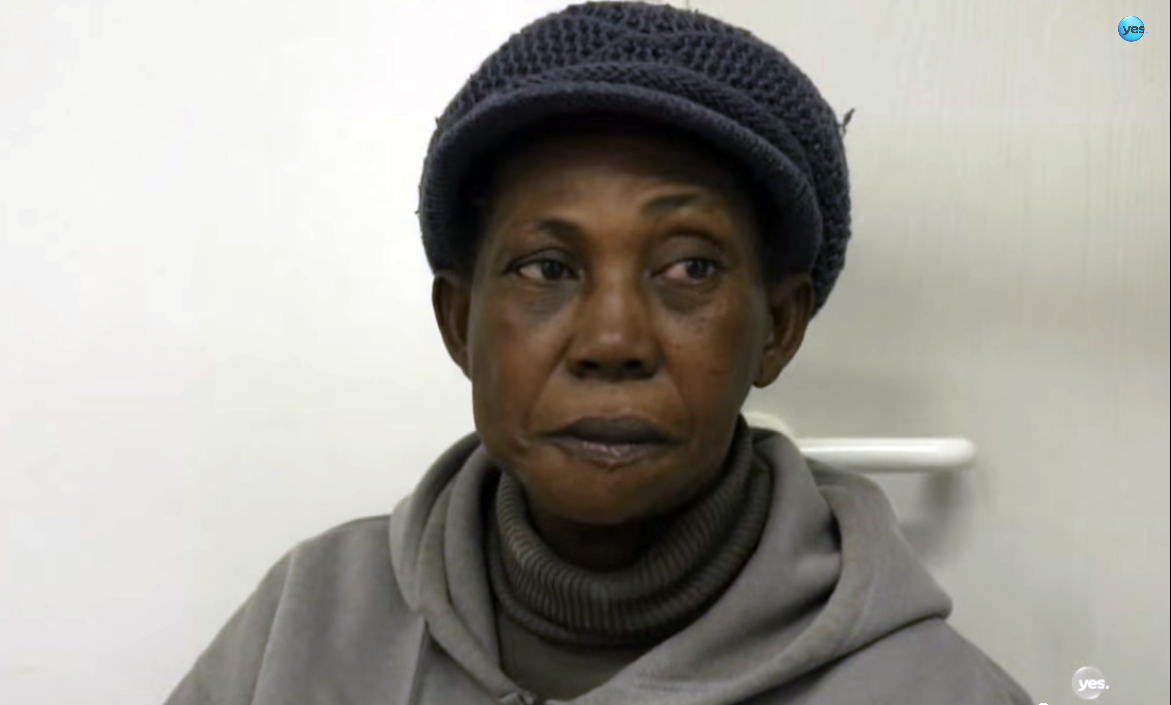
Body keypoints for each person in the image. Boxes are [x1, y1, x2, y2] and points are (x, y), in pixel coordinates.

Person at [164, 3, 1032, 703]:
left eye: (689, 268)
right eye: (547, 267)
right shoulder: (303, 626)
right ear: (459, 323)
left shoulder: (935, 689)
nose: (612, 341)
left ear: (777, 327)